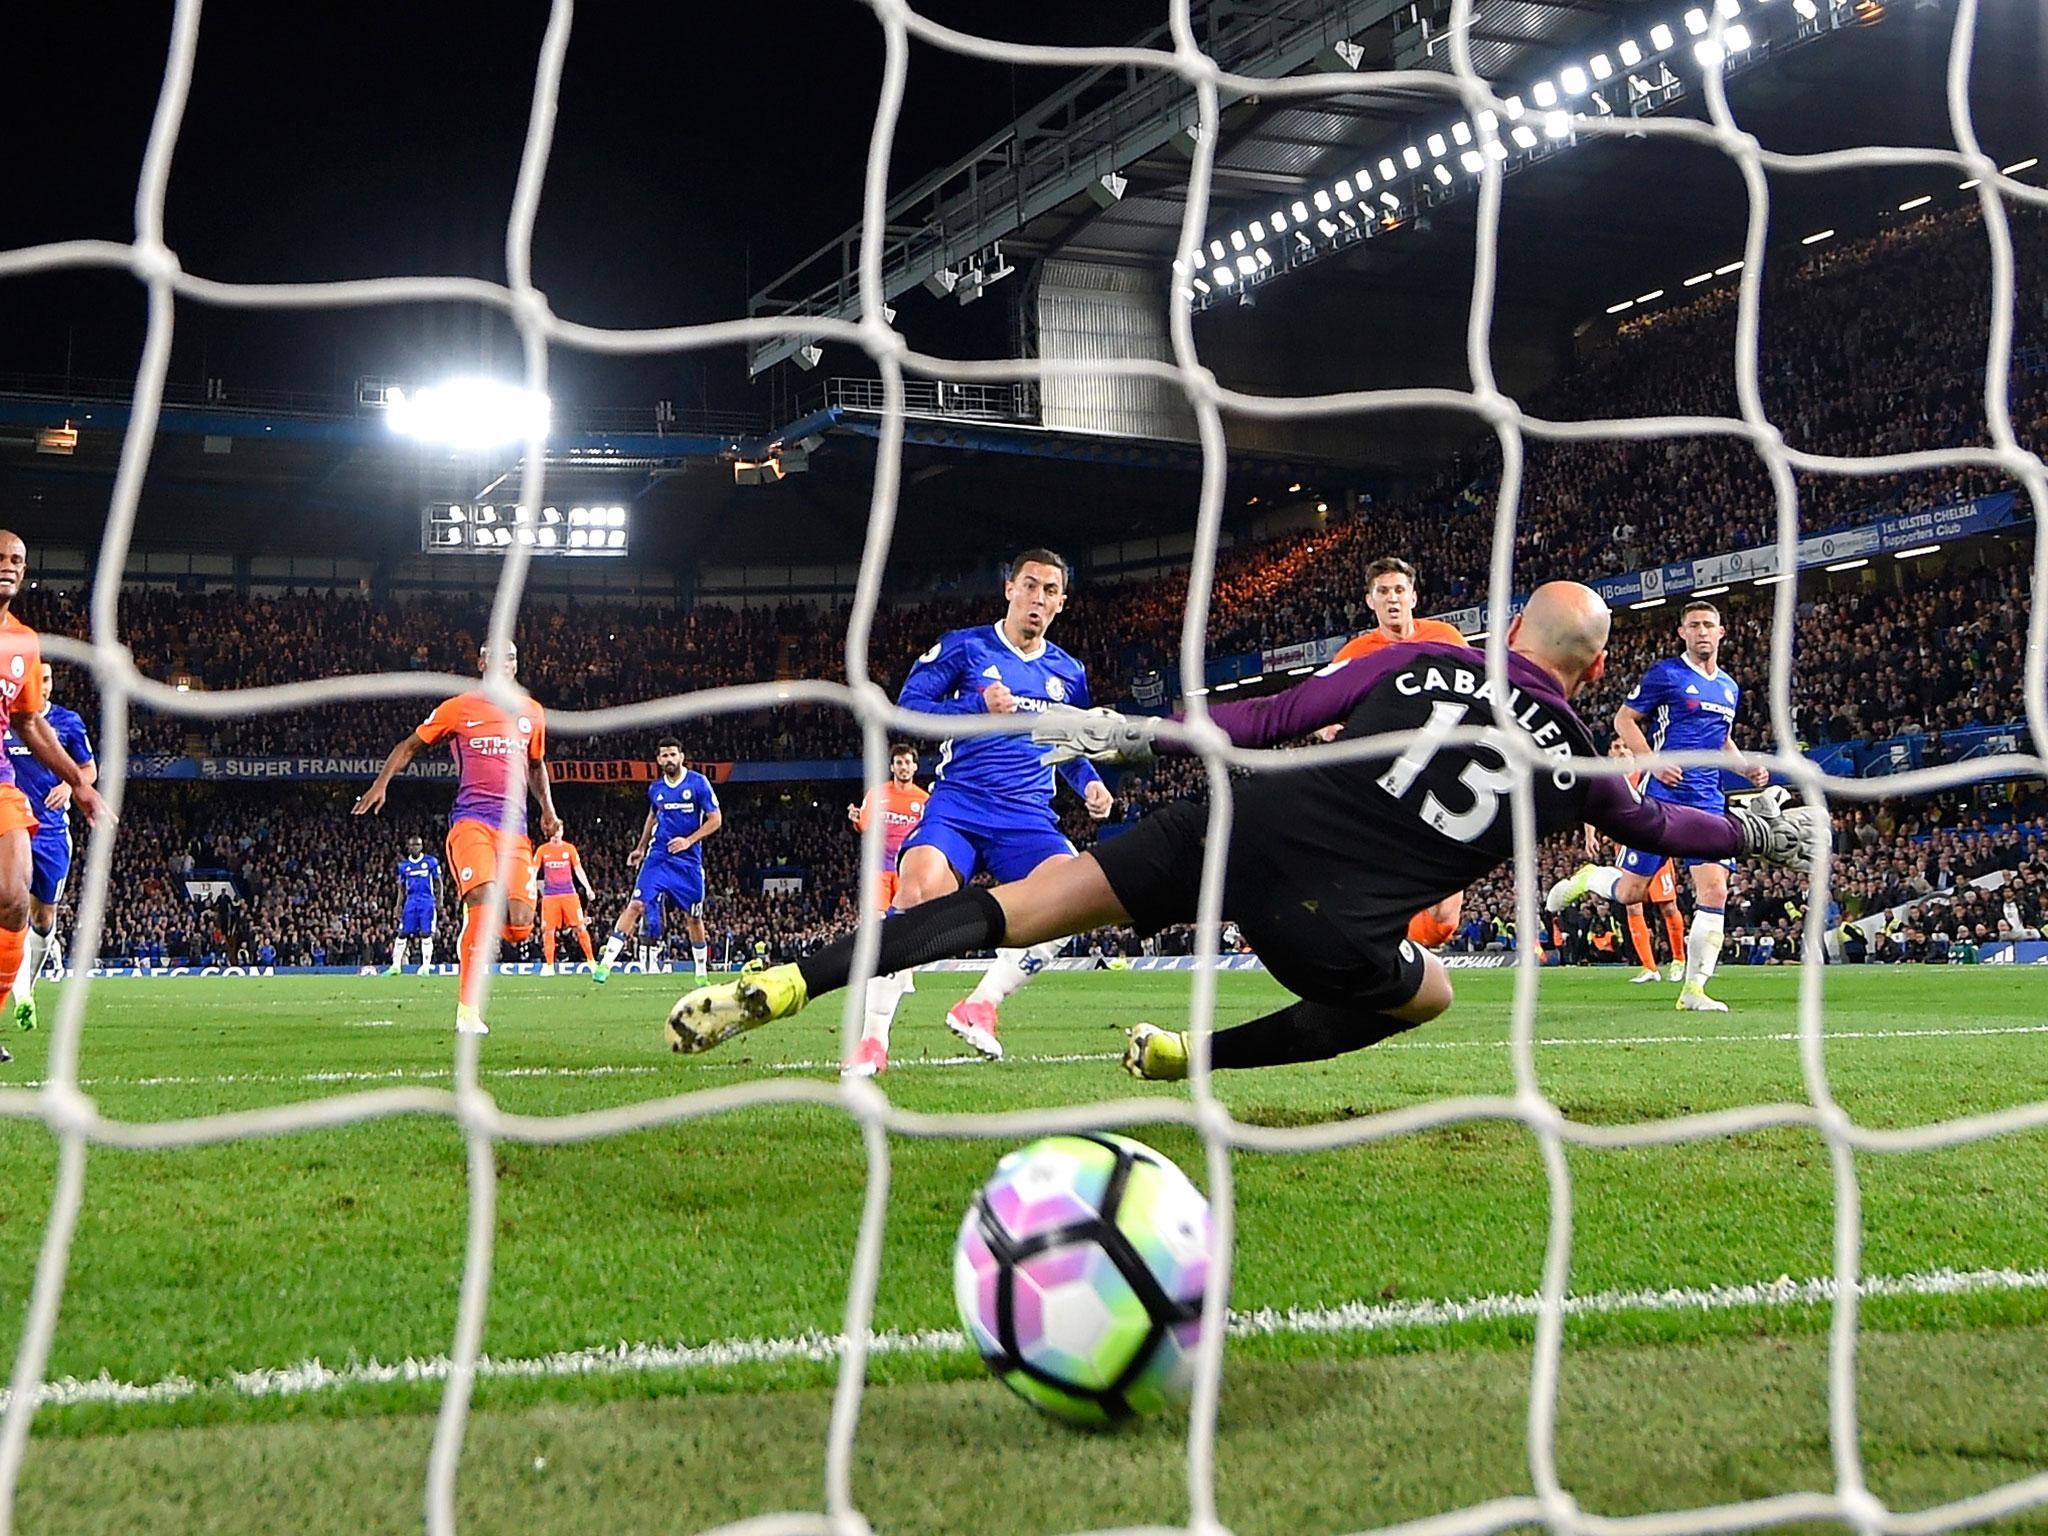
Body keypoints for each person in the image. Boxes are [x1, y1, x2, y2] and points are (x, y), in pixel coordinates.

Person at [666, 582, 1823, 1073]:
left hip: (1238, 828)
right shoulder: (1581, 763)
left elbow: (1272, 714)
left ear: (1509, 624)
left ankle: (783, 986)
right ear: (1598, 664)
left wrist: (1143, 732)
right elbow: (1670, 827)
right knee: (1428, 995)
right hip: (1330, 923)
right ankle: (1191, 1057)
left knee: (1009, 912)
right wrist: (1760, 838)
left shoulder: (1425, 655)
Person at [832, 548, 1111, 1066]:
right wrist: (975, 706)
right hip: (958, 806)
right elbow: (908, 711)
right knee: (915, 894)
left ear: (1061, 604)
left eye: (1050, 591)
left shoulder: (1067, 673)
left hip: (1028, 818)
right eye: (1030, 585)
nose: (1038, 598)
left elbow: (1068, 744)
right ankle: (872, 1038)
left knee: (1076, 899)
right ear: (1009, 589)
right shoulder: (965, 648)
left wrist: (1090, 782)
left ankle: (981, 1004)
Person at [1544, 599, 1769, 1011]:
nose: (1702, 631)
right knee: (1631, 893)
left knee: (1715, 889)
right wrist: (1652, 761)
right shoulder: (1666, 674)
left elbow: (1721, 740)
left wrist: (1745, 769)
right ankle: (1590, 878)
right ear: (1682, 633)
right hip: (1661, 798)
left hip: (1706, 800)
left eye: (1709, 625)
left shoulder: (1729, 687)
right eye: (1694, 625)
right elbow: (1623, 721)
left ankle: (1694, 990)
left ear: (1721, 633)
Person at [353, 643, 559, 1035]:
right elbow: (409, 745)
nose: (505, 663)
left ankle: (482, 933)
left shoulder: (531, 712)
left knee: (519, 926)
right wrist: (382, 784)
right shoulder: (459, 707)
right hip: (472, 823)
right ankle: (467, 1011)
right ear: (482, 663)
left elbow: (536, 765)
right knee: (481, 904)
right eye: (497, 657)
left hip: (514, 829)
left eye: (512, 657)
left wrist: (548, 810)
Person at [1320, 557, 1471, 950]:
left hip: (1444, 778)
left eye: (1399, 590)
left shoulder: (1446, 638)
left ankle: (1401, 947)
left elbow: (1484, 687)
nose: (1392, 599)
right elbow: (1319, 705)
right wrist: (1327, 726)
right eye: (1383, 592)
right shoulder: (1355, 653)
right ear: (1370, 601)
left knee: (1444, 921)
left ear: (1414, 597)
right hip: (1388, 783)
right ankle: (1385, 954)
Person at [0, 534, 110, 1064]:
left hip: (7, 791)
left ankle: (15, 997)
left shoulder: (22, 641)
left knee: (18, 900)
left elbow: (26, 720)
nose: (8, 567)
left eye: (16, 560)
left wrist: (82, 786)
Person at [4, 660, 96, 1030]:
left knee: (44, 918)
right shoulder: (7, 717)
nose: (43, 685)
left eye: (47, 679)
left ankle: (29, 983)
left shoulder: (67, 722)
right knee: (15, 907)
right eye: (37, 678)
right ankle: (20, 992)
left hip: (53, 833)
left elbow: (89, 769)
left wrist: (70, 785)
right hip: (12, 827)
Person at [595, 737, 720, 982]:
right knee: (636, 905)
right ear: (658, 760)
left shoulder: (698, 783)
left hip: (687, 862)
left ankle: (701, 972)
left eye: (673, 754)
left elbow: (715, 820)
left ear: (681, 757)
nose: (669, 759)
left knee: (693, 917)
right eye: (664, 756)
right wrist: (640, 848)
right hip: (659, 858)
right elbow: (652, 817)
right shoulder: (656, 789)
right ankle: (605, 964)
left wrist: (688, 840)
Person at [840, 742, 931, 1076]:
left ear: (914, 766)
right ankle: (889, 979)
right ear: (892, 767)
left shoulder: (924, 802)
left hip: (908, 872)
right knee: (881, 931)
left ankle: (897, 976)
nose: (903, 767)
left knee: (904, 931)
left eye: (907, 763)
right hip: (879, 871)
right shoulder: (877, 795)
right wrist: (855, 820)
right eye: (898, 763)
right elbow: (864, 826)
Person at [532, 829, 598, 972]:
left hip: (569, 894)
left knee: (580, 927)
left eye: (559, 830)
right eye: (554, 831)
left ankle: (591, 961)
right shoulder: (542, 850)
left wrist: (588, 888)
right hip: (550, 896)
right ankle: (549, 966)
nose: (556, 834)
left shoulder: (569, 849)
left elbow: (578, 869)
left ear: (562, 831)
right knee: (548, 930)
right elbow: (534, 870)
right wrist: (531, 887)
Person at [388, 834, 443, 976]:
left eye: (418, 845)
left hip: (426, 902)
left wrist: (440, 900)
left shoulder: (430, 862)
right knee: (402, 933)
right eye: (413, 845)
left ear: (422, 846)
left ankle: (425, 967)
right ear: (408, 847)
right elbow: (401, 888)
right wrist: (397, 906)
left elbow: (438, 882)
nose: (415, 847)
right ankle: (395, 966)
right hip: (411, 902)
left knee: (426, 934)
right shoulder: (404, 866)